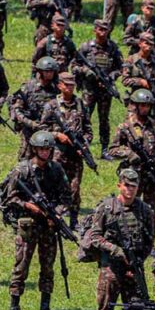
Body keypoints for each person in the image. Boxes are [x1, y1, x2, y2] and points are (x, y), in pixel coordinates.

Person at [82, 168, 155, 310]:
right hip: (111, 269)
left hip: (134, 268)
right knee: (105, 308)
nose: (130, 190)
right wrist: (116, 251)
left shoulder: (145, 211)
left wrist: (137, 261)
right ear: (119, 185)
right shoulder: (107, 208)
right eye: (127, 186)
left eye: (134, 186)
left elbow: (150, 240)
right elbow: (94, 237)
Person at [1, 130, 70, 310]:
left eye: (48, 149)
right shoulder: (22, 170)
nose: (46, 152)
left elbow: (66, 197)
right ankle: (14, 307)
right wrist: (28, 206)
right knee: (21, 266)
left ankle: (45, 309)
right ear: (34, 149)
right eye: (42, 149)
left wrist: (56, 212)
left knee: (48, 268)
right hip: (28, 226)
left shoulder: (56, 169)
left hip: (48, 226)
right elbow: (9, 197)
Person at [42, 71, 93, 224]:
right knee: (53, 186)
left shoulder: (80, 105)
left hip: (75, 155)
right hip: (57, 154)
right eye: (67, 85)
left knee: (75, 189)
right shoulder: (51, 106)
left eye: (72, 85)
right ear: (60, 86)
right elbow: (42, 128)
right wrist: (57, 135)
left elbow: (88, 130)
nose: (70, 88)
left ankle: (74, 220)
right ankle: (52, 216)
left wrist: (83, 144)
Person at [108, 89, 155, 219]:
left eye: (147, 105)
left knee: (151, 214)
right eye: (142, 105)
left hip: (151, 176)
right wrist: (129, 154)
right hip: (132, 175)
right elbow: (112, 149)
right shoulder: (125, 127)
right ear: (135, 105)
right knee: (129, 211)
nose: (145, 108)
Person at [73, 20, 123, 155]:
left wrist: (111, 76)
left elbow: (120, 68)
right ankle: (82, 146)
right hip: (89, 90)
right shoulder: (86, 48)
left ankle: (105, 149)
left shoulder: (112, 48)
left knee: (104, 119)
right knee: (84, 117)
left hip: (104, 91)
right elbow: (74, 65)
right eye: (100, 29)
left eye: (105, 30)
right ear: (95, 30)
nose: (103, 32)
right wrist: (85, 71)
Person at [121, 33, 155, 120]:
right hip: (136, 102)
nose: (149, 46)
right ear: (140, 43)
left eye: (151, 44)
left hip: (151, 101)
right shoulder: (132, 59)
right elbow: (125, 80)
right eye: (146, 43)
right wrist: (140, 82)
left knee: (152, 129)